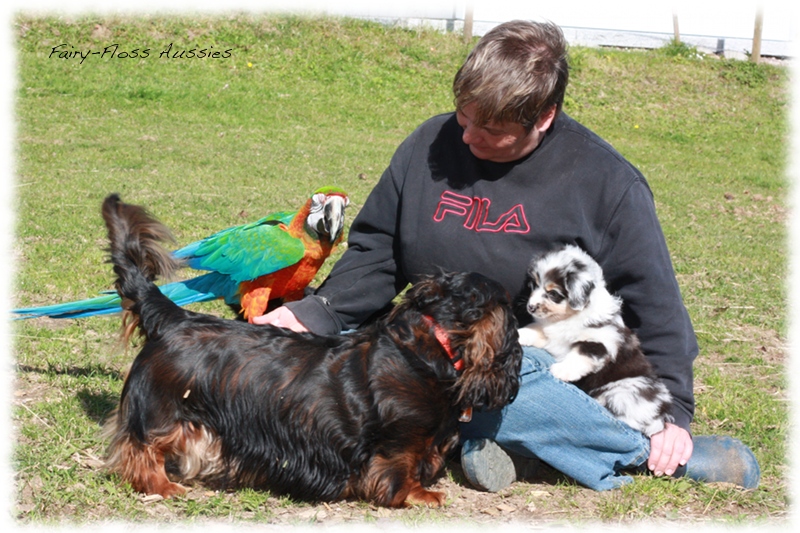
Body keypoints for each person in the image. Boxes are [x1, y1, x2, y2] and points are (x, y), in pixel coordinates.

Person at [255, 20, 760, 491]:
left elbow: (653, 301)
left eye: (491, 129)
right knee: (311, 360)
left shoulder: (607, 184)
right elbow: (378, 247)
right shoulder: (428, 142)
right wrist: (319, 312)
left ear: (544, 117)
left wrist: (671, 415)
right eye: (464, 116)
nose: (468, 136)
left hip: (516, 361)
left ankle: (631, 450)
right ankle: (485, 442)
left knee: (522, 395)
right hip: (418, 341)